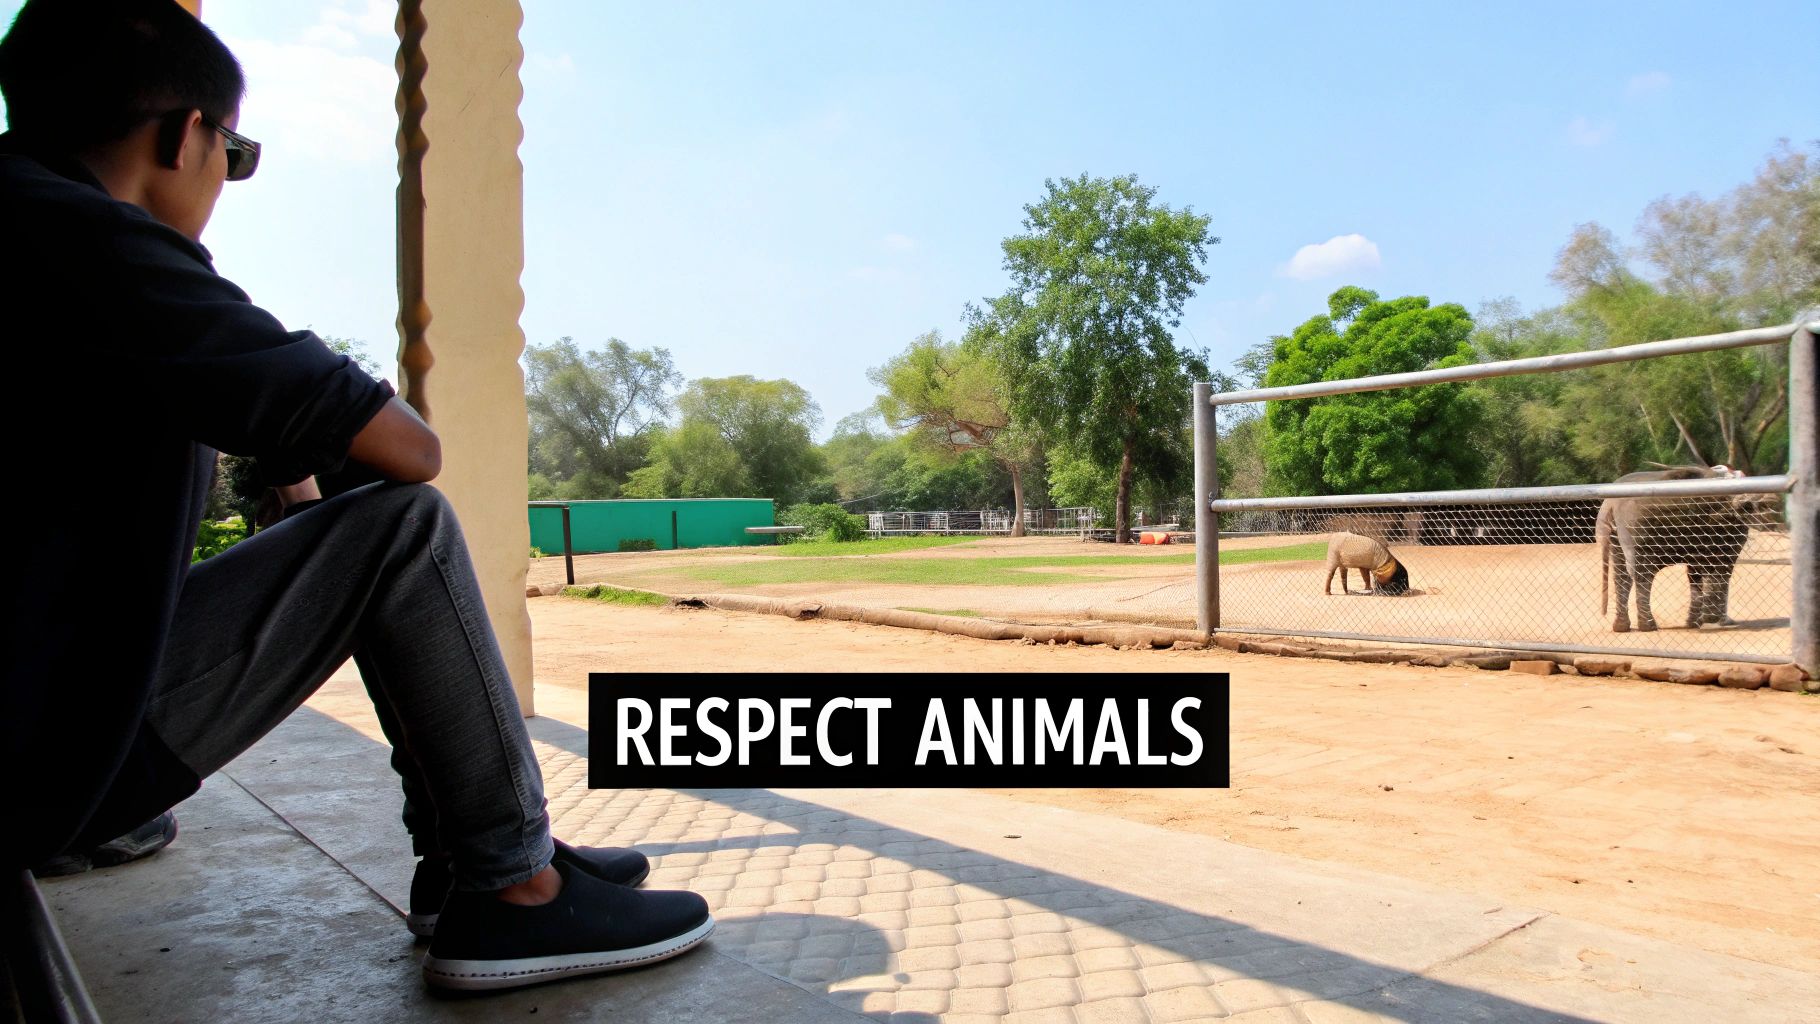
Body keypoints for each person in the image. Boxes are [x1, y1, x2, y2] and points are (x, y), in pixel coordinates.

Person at [0, 0, 711, 992]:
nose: (223, 179)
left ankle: (476, 856)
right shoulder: (91, 243)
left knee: (362, 511)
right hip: (34, 760)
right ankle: (510, 886)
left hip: (29, 715)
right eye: (233, 155)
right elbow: (408, 450)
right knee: (402, 529)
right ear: (185, 134)